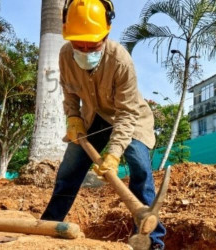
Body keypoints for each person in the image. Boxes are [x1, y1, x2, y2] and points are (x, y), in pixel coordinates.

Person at [40, 0, 166, 248]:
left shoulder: (120, 61)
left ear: (106, 33)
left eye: (92, 45)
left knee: (140, 169)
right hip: (92, 118)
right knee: (69, 171)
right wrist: (74, 118)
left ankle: (151, 239)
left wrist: (115, 153)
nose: (85, 51)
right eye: (79, 44)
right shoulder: (65, 55)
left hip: (130, 119)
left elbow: (127, 113)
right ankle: (47, 226)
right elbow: (69, 93)